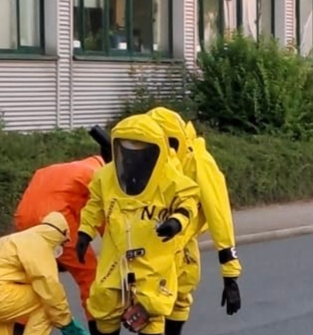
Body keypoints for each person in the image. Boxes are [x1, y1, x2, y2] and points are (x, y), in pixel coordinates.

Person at [76, 115, 201, 335]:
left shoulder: (169, 177)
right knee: (104, 304)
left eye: (140, 153)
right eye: (128, 152)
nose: (133, 160)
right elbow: (94, 204)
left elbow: (188, 201)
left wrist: (176, 222)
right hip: (116, 258)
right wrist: (85, 232)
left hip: (153, 259)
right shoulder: (106, 177)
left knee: (152, 310)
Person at [146, 108, 242, 335]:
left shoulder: (199, 162)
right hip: (155, 240)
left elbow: (219, 215)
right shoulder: (159, 161)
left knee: (174, 297)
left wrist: (230, 274)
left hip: (180, 242)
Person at [13, 126, 113, 329]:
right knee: (89, 276)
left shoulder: (62, 169)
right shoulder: (98, 174)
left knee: (34, 277)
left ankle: (17, 329)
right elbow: (105, 216)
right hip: (55, 222)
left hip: (23, 220)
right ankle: (98, 327)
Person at [0, 211, 89, 335]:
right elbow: (49, 288)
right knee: (47, 304)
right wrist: (66, 323)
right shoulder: (40, 245)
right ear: (62, 234)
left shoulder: (16, 239)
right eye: (64, 243)